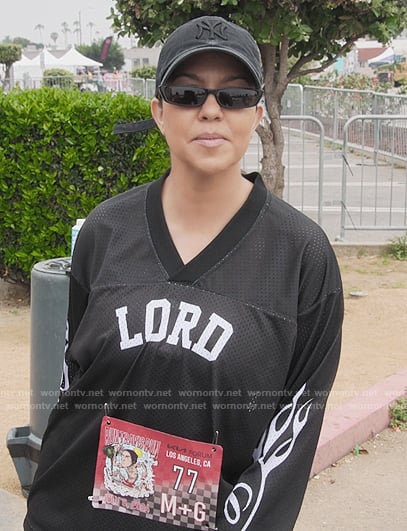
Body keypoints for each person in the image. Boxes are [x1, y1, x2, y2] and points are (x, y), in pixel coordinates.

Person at [24, 15, 343, 531]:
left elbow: (294, 431)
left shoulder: (301, 256)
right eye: (188, 93)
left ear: (257, 113)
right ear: (158, 111)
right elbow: (73, 383)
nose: (211, 110)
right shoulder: (106, 231)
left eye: (234, 96)